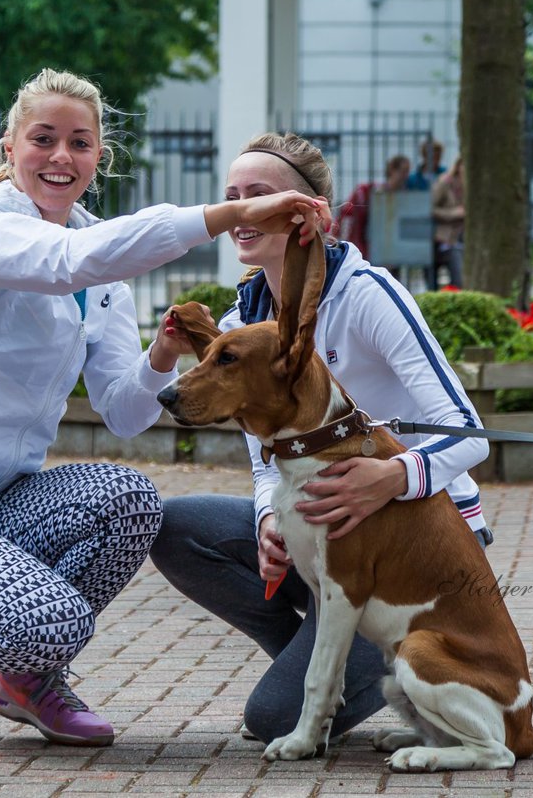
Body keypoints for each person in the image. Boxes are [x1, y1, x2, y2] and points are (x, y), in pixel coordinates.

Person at [0, 70, 322, 750]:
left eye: (80, 142)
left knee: (132, 499)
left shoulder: (100, 268)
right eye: (43, 139)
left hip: (4, 508)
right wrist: (231, 214)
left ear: (100, 156)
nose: (61, 157)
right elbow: (65, 260)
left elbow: (125, 413)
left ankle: (23, 682)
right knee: (55, 624)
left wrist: (160, 356)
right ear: (9, 148)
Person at [149, 132, 493, 746]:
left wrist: (390, 477)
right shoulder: (240, 326)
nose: (242, 211)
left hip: (410, 552)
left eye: (260, 195)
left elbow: (469, 432)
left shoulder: (368, 295)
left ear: (312, 208)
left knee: (275, 721)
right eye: (233, 197)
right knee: (175, 528)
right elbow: (265, 463)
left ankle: (365, 657)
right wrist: (266, 522)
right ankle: (319, 654)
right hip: (320, 536)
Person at [337, 154, 411, 261]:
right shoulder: (369, 192)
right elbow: (350, 217)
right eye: (404, 171)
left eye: (408, 171)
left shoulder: (403, 195)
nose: (406, 175)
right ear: (392, 170)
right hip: (366, 244)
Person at [430, 156, 465, 288]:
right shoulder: (445, 182)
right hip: (445, 239)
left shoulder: (472, 186)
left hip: (465, 237)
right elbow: (430, 208)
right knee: (458, 279)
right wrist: (453, 213)